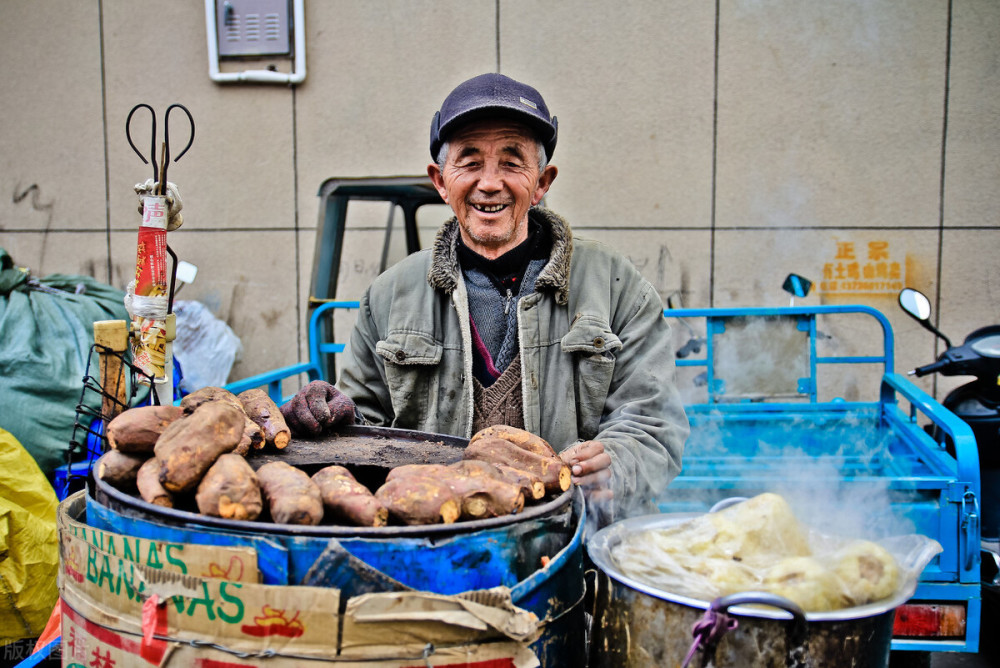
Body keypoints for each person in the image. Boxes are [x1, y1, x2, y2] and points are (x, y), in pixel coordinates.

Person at [282, 73, 689, 521]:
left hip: (574, 534)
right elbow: (366, 429)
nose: (489, 183)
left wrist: (619, 465)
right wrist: (331, 414)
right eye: (470, 162)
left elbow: (653, 424)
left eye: (512, 162)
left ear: (542, 182)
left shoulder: (615, 287)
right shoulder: (389, 296)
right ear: (440, 181)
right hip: (435, 537)